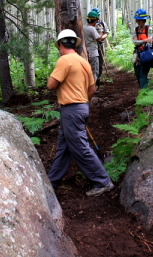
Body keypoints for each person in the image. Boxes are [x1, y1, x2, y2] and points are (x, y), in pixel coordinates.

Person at [47, 29, 114, 197]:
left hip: (71, 109)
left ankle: (102, 181)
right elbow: (92, 89)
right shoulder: (83, 61)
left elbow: (51, 85)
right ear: (74, 44)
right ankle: (51, 182)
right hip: (81, 107)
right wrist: (82, 100)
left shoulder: (64, 61)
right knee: (64, 148)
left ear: (61, 45)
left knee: (80, 147)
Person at [132, 9, 153, 89]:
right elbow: (135, 42)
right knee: (138, 74)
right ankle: (144, 89)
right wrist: (144, 40)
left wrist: (140, 41)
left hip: (146, 54)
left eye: (139, 20)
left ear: (144, 20)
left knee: (143, 74)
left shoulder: (149, 29)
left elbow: (150, 41)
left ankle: (144, 94)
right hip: (137, 54)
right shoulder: (136, 29)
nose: (138, 22)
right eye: (137, 20)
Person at [83, 11, 105, 88]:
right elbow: (99, 39)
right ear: (95, 20)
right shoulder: (92, 29)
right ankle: (92, 88)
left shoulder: (84, 28)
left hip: (85, 53)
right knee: (94, 71)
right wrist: (101, 32)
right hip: (93, 53)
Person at [92, 7, 110, 89]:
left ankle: (98, 79)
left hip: (101, 44)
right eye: (97, 14)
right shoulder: (90, 24)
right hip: (92, 45)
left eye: (99, 14)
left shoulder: (102, 23)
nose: (98, 16)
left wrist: (102, 37)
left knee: (100, 62)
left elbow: (107, 33)